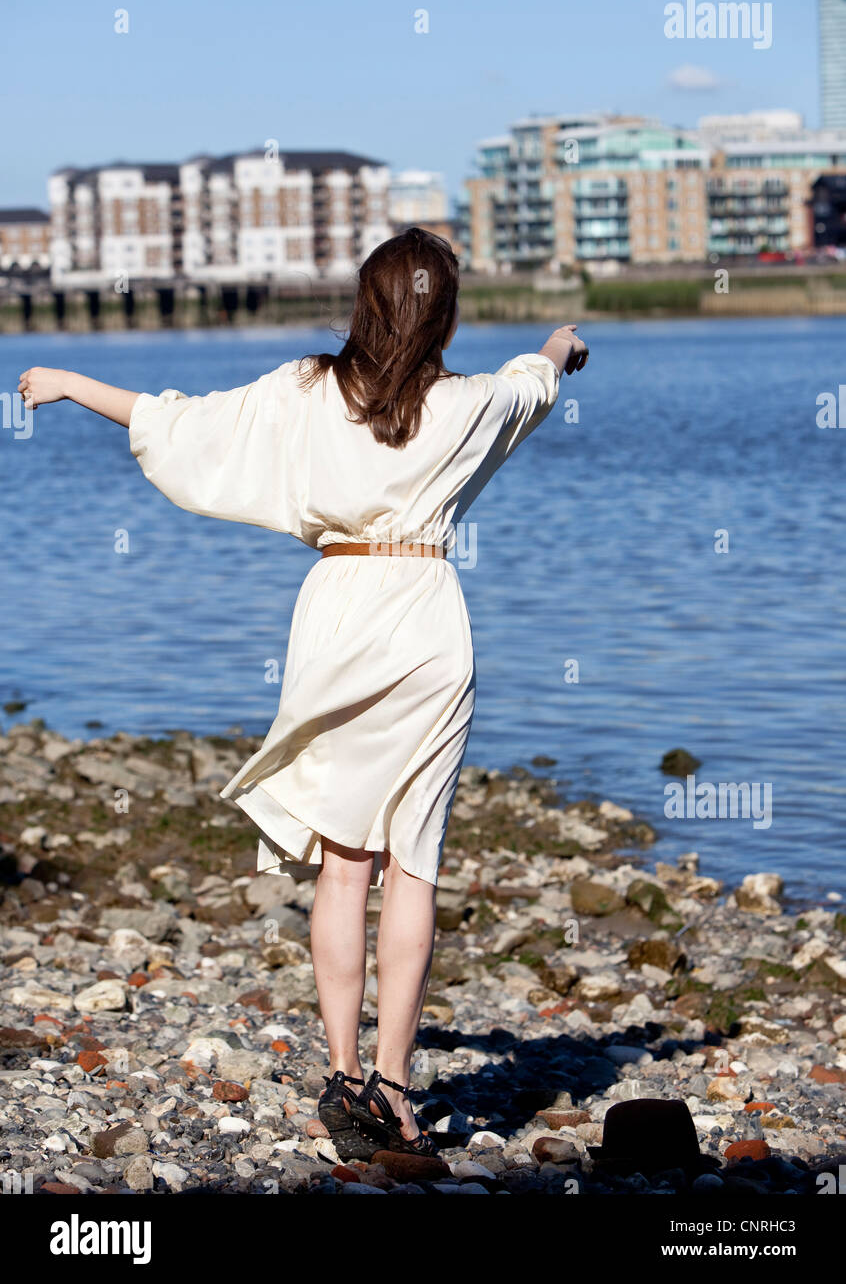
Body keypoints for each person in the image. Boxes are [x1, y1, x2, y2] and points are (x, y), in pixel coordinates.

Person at [18, 227, 588, 1161]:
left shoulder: (305, 390)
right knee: (415, 859)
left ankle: (339, 1073)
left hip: (336, 611)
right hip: (426, 618)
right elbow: (540, 373)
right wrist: (565, 341)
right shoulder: (475, 403)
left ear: (365, 304)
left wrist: (75, 384)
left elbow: (183, 421)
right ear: (445, 314)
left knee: (345, 860)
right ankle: (395, 1089)